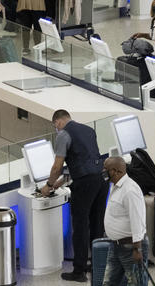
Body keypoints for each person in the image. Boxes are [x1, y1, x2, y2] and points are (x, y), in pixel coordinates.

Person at [41, 110, 107, 282]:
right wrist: (59, 183)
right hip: (101, 179)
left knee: (80, 226)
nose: (56, 129)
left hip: (84, 184)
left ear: (58, 122)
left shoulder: (63, 134)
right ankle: (97, 265)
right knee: (97, 224)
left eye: (55, 126)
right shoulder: (88, 130)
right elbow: (84, 160)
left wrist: (48, 186)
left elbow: (57, 166)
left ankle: (79, 271)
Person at [99, 156, 149, 286]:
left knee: (137, 283)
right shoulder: (115, 186)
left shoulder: (130, 190)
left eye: (106, 169)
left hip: (131, 247)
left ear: (117, 171)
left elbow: (137, 219)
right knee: (109, 283)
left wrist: (137, 249)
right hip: (115, 245)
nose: (103, 172)